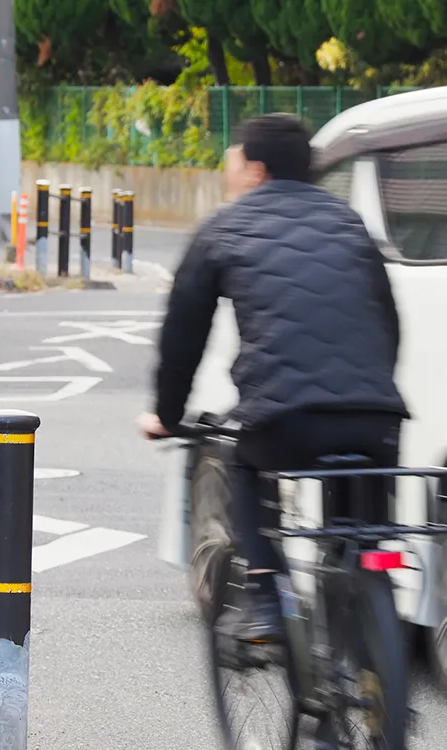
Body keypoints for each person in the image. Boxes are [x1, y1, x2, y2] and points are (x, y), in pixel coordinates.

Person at [138, 113, 407, 642]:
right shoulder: (349, 222)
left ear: (255, 170)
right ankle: (373, 652)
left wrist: (168, 416)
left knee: (241, 461)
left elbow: (182, 335)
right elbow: (388, 319)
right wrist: (372, 389)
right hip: (377, 420)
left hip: (285, 421)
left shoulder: (226, 225)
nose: (230, 168)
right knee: (365, 527)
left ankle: (262, 594)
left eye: (234, 157)